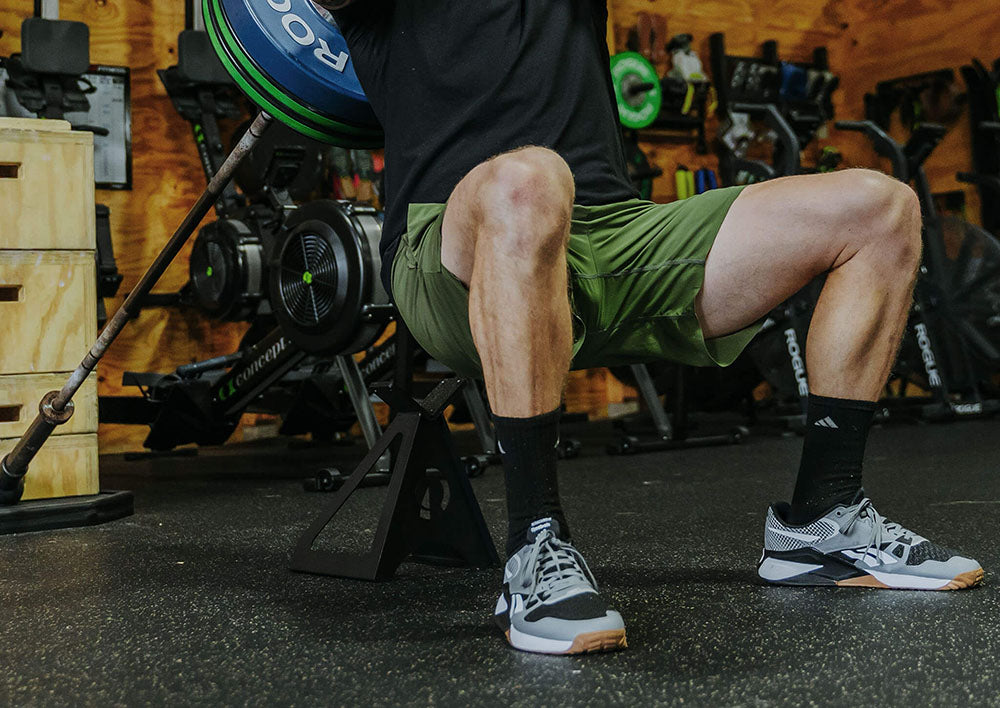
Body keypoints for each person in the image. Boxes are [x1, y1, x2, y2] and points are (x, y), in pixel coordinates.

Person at [321, 1, 984, 655]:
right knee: (529, 180)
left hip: (613, 229)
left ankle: (824, 517)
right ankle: (536, 543)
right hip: (452, 243)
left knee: (880, 208)